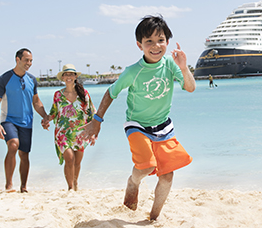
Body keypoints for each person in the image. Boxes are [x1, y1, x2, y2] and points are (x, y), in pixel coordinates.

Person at [81, 14, 196, 221]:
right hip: (137, 125)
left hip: (163, 127)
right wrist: (97, 121)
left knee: (168, 175)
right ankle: (133, 182)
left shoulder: (170, 65)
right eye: (148, 41)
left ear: (167, 42)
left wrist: (183, 67)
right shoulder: (132, 71)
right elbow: (110, 93)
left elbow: (190, 88)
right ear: (139, 45)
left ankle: (153, 218)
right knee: (148, 165)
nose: (155, 46)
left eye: (160, 40)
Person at [0, 48, 49, 193]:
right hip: (8, 120)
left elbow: (36, 102)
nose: (29, 63)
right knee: (13, 145)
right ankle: (9, 185)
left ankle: (23, 187)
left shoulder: (32, 80)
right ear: (17, 59)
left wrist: (46, 116)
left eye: (31, 61)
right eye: (26, 60)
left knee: (24, 154)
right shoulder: (4, 79)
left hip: (27, 122)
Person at [41, 64, 96, 191]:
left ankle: (75, 183)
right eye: (66, 74)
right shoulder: (57, 95)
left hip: (80, 132)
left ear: (75, 76)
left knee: (77, 162)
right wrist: (46, 120)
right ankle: (70, 187)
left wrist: (92, 133)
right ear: (63, 77)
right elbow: (54, 113)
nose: (69, 76)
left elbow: (91, 113)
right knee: (69, 159)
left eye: (71, 74)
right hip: (63, 132)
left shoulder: (84, 93)